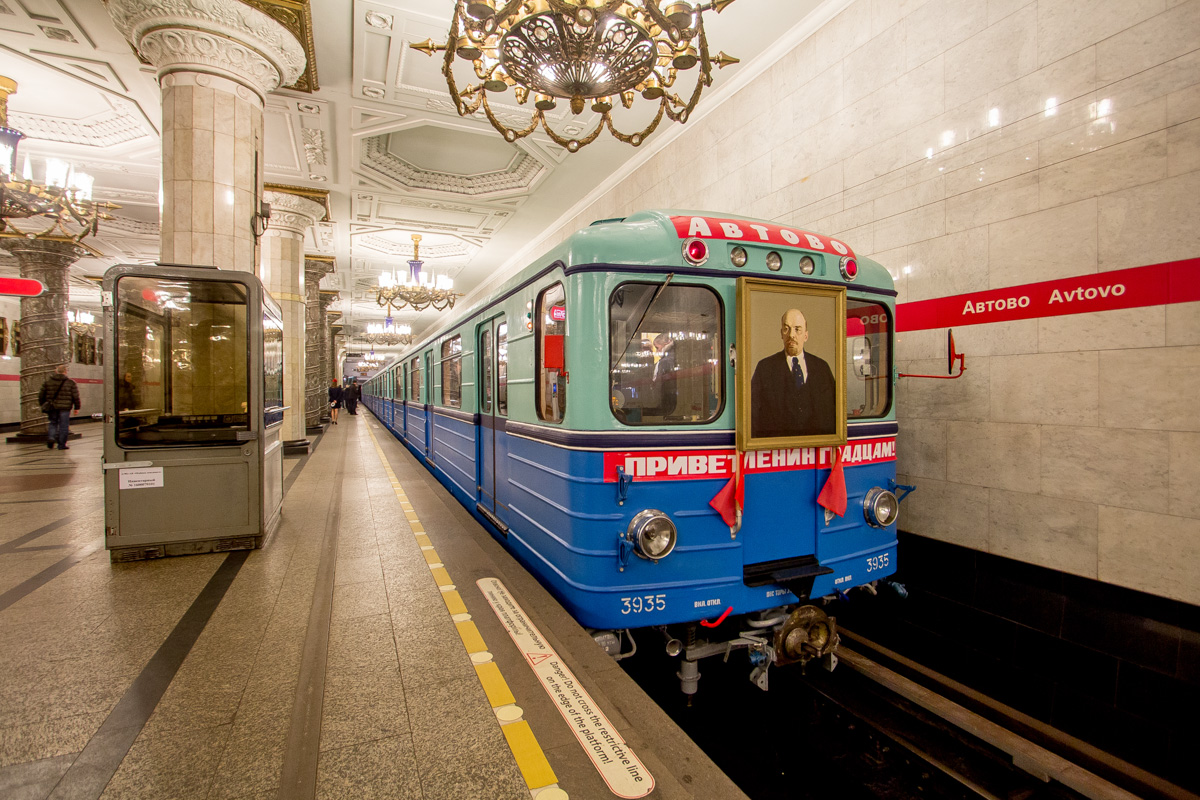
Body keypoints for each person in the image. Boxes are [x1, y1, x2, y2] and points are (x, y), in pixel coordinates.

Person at [750, 308, 835, 438]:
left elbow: (833, 412)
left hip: (816, 449)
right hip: (776, 450)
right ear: (781, 334)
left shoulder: (822, 368)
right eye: (786, 329)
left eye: (797, 329)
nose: (791, 335)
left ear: (806, 335)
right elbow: (753, 416)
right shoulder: (764, 368)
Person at [39, 364, 81, 450]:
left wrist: (43, 404)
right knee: (64, 426)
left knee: (53, 423)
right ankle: (61, 445)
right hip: (65, 408)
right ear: (65, 372)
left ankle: (51, 438)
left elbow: (41, 395)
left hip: (52, 407)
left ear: (56, 371)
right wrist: (77, 407)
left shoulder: (48, 382)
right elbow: (75, 396)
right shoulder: (71, 382)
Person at [647, 332, 678, 417]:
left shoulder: (665, 362)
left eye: (657, 348)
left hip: (666, 402)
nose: (657, 351)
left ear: (666, 344)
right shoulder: (674, 358)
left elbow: (659, 386)